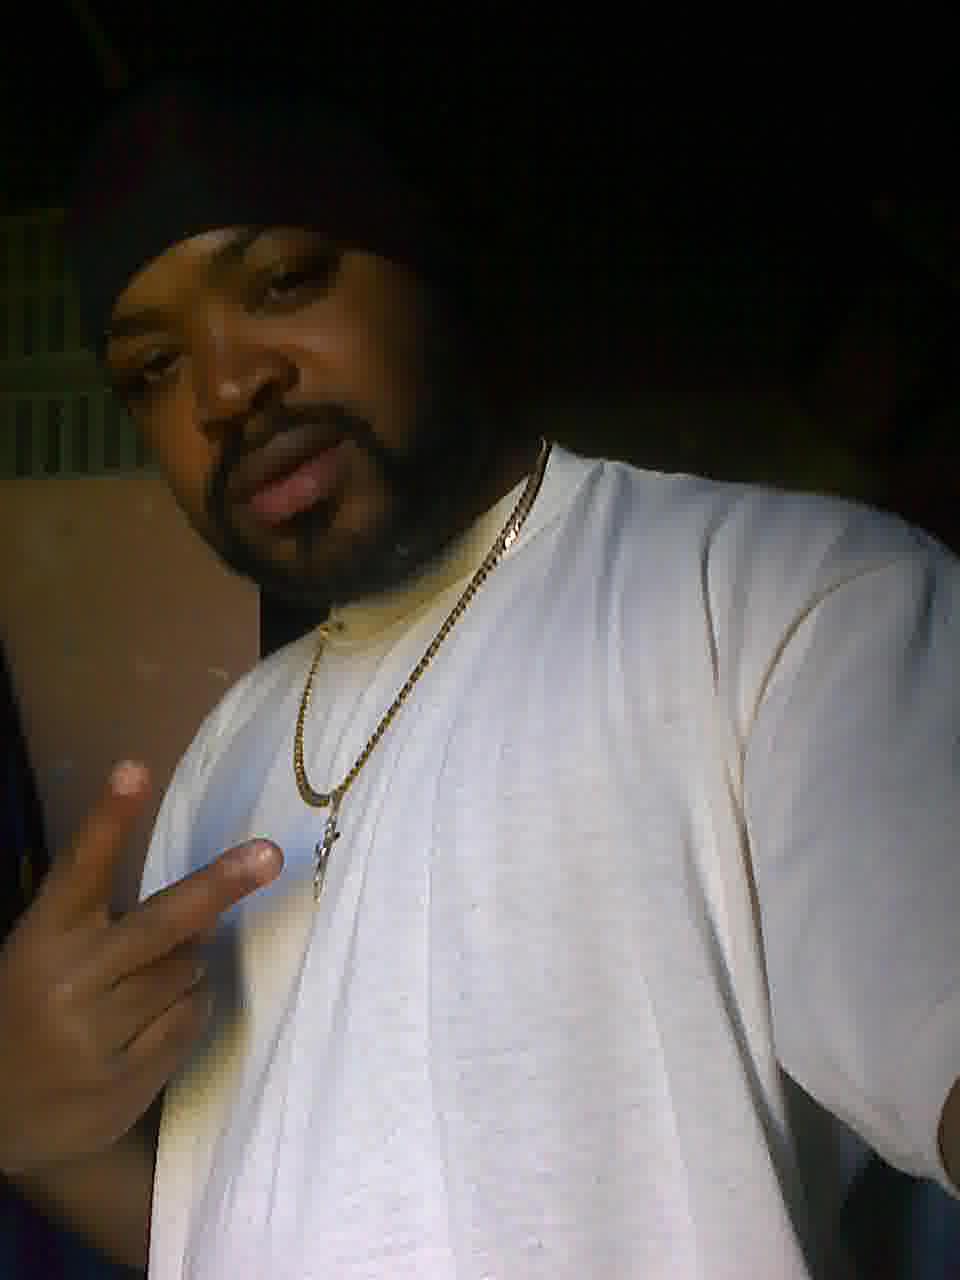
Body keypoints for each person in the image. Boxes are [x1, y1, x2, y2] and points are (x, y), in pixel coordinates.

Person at [0, 76, 958, 1279]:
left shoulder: (781, 596)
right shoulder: (227, 746)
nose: (225, 389)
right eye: (152, 367)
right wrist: (26, 1125)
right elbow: (214, 1232)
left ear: (427, 266)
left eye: (286, 280)